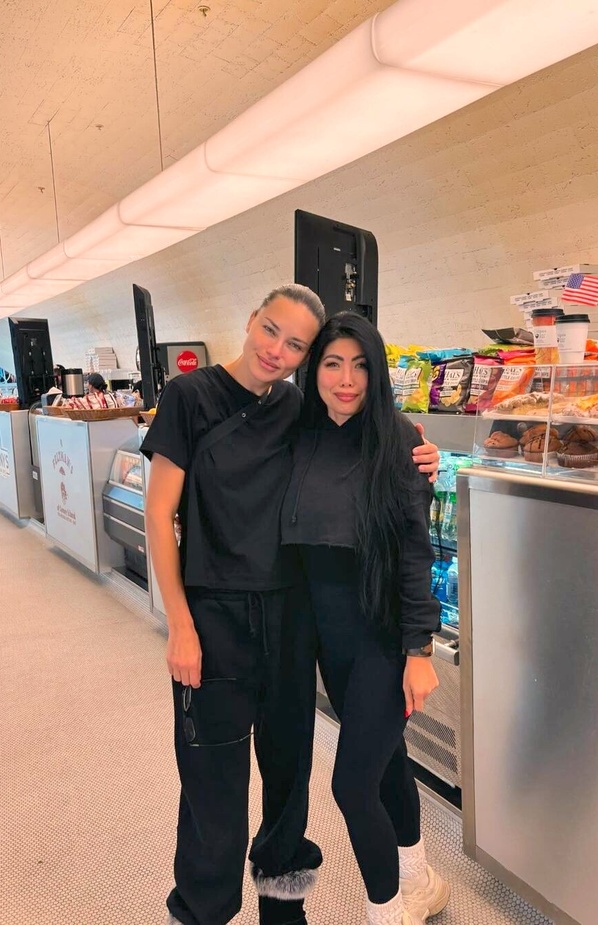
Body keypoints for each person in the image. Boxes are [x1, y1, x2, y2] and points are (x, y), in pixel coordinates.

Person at [141, 284, 440, 925]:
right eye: (271, 330)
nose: (277, 350)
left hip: (290, 620)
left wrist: (419, 451)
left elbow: (367, 443)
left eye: (296, 344)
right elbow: (159, 514)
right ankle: (201, 911)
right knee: (213, 785)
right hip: (214, 619)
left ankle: (284, 914)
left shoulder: (298, 408)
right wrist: (179, 624)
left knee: (289, 780)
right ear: (252, 319)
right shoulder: (189, 397)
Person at [280, 312, 450, 925]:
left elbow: (415, 553)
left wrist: (419, 651)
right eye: (332, 364)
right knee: (386, 762)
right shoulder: (298, 434)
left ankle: (388, 913)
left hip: (383, 638)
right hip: (330, 644)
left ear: (375, 373)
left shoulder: (398, 441)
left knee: (351, 785)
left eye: (359, 366)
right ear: (314, 371)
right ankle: (420, 879)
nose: (346, 380)